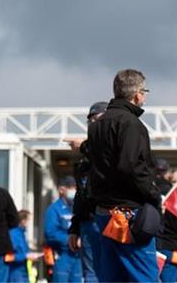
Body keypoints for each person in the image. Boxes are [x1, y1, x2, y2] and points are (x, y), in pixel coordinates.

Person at [88, 69, 162, 282]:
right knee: (145, 276)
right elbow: (131, 168)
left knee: (112, 277)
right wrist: (154, 194)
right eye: (145, 91)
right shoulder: (131, 124)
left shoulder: (97, 126)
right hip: (128, 215)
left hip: (104, 213)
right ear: (138, 94)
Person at [66, 101, 107, 283]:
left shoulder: (113, 148)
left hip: (110, 218)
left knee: (111, 271)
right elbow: (81, 195)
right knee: (91, 273)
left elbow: (107, 160)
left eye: (97, 119)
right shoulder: (86, 161)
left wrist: (84, 146)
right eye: (91, 121)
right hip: (89, 222)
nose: (93, 124)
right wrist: (74, 228)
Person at [44, 176, 82, 282]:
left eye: (75, 188)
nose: (74, 191)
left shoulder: (76, 208)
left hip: (77, 256)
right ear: (62, 190)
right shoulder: (54, 209)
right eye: (71, 188)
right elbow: (50, 233)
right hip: (61, 255)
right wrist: (71, 240)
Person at [6, 210, 41, 283]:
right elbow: (8, 256)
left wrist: (32, 256)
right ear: (23, 220)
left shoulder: (21, 234)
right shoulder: (14, 234)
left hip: (22, 271)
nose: (29, 223)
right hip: (15, 273)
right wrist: (26, 256)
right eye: (28, 220)